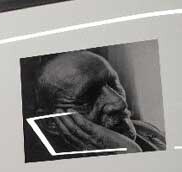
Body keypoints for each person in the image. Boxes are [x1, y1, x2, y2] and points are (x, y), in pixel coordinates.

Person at [27, 50, 167, 162]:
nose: (119, 103)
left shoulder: (146, 130)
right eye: (89, 95)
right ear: (51, 121)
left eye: (113, 85)